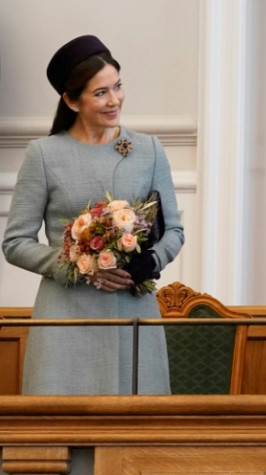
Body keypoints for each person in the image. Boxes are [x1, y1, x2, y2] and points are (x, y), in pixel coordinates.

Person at [2, 35, 184, 395]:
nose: (114, 99)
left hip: (133, 310)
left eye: (117, 86)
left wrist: (145, 265)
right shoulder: (44, 154)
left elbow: (174, 230)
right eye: (100, 93)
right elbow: (15, 242)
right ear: (71, 100)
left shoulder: (148, 150)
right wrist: (80, 264)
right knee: (61, 432)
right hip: (67, 315)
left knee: (135, 432)